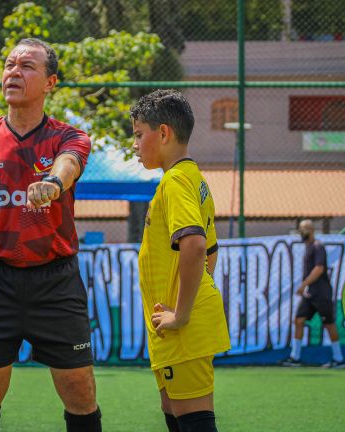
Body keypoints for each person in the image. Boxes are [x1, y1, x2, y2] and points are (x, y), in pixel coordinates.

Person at [0, 38, 102, 432]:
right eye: (10, 65)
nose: (14, 72)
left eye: (27, 66)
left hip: (57, 282)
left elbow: (69, 163)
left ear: (50, 83)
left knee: (80, 390)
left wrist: (54, 183)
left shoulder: (69, 136)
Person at [130, 90, 230, 432]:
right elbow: (212, 252)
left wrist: (183, 313)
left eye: (138, 134)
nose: (135, 144)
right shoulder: (191, 179)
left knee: (194, 422)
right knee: (175, 413)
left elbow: (196, 246)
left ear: (163, 134)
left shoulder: (175, 181)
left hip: (180, 327)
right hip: (173, 327)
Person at [281, 219, 345, 368]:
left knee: (329, 324)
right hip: (310, 294)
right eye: (300, 229)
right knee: (299, 320)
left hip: (321, 294)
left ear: (311, 230)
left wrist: (303, 285)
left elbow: (319, 269)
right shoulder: (308, 247)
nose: (301, 232)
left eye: (304, 229)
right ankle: (295, 357)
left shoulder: (318, 246)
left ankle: (339, 359)